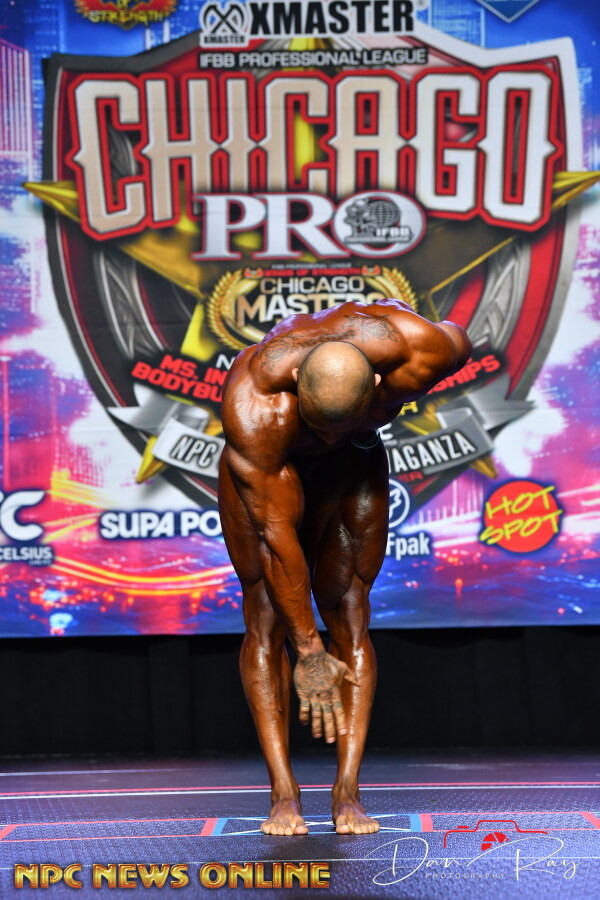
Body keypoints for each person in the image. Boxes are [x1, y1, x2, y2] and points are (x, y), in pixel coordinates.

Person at [218, 298, 471, 836]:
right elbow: (275, 540)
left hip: (356, 461)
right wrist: (309, 651)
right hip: (274, 461)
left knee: (350, 605)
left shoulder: (420, 352)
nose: (326, 439)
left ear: (380, 385)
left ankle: (347, 791)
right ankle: (283, 793)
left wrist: (345, 435)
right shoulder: (254, 401)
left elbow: (458, 338)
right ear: (296, 387)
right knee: (265, 610)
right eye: (320, 427)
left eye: (338, 427)